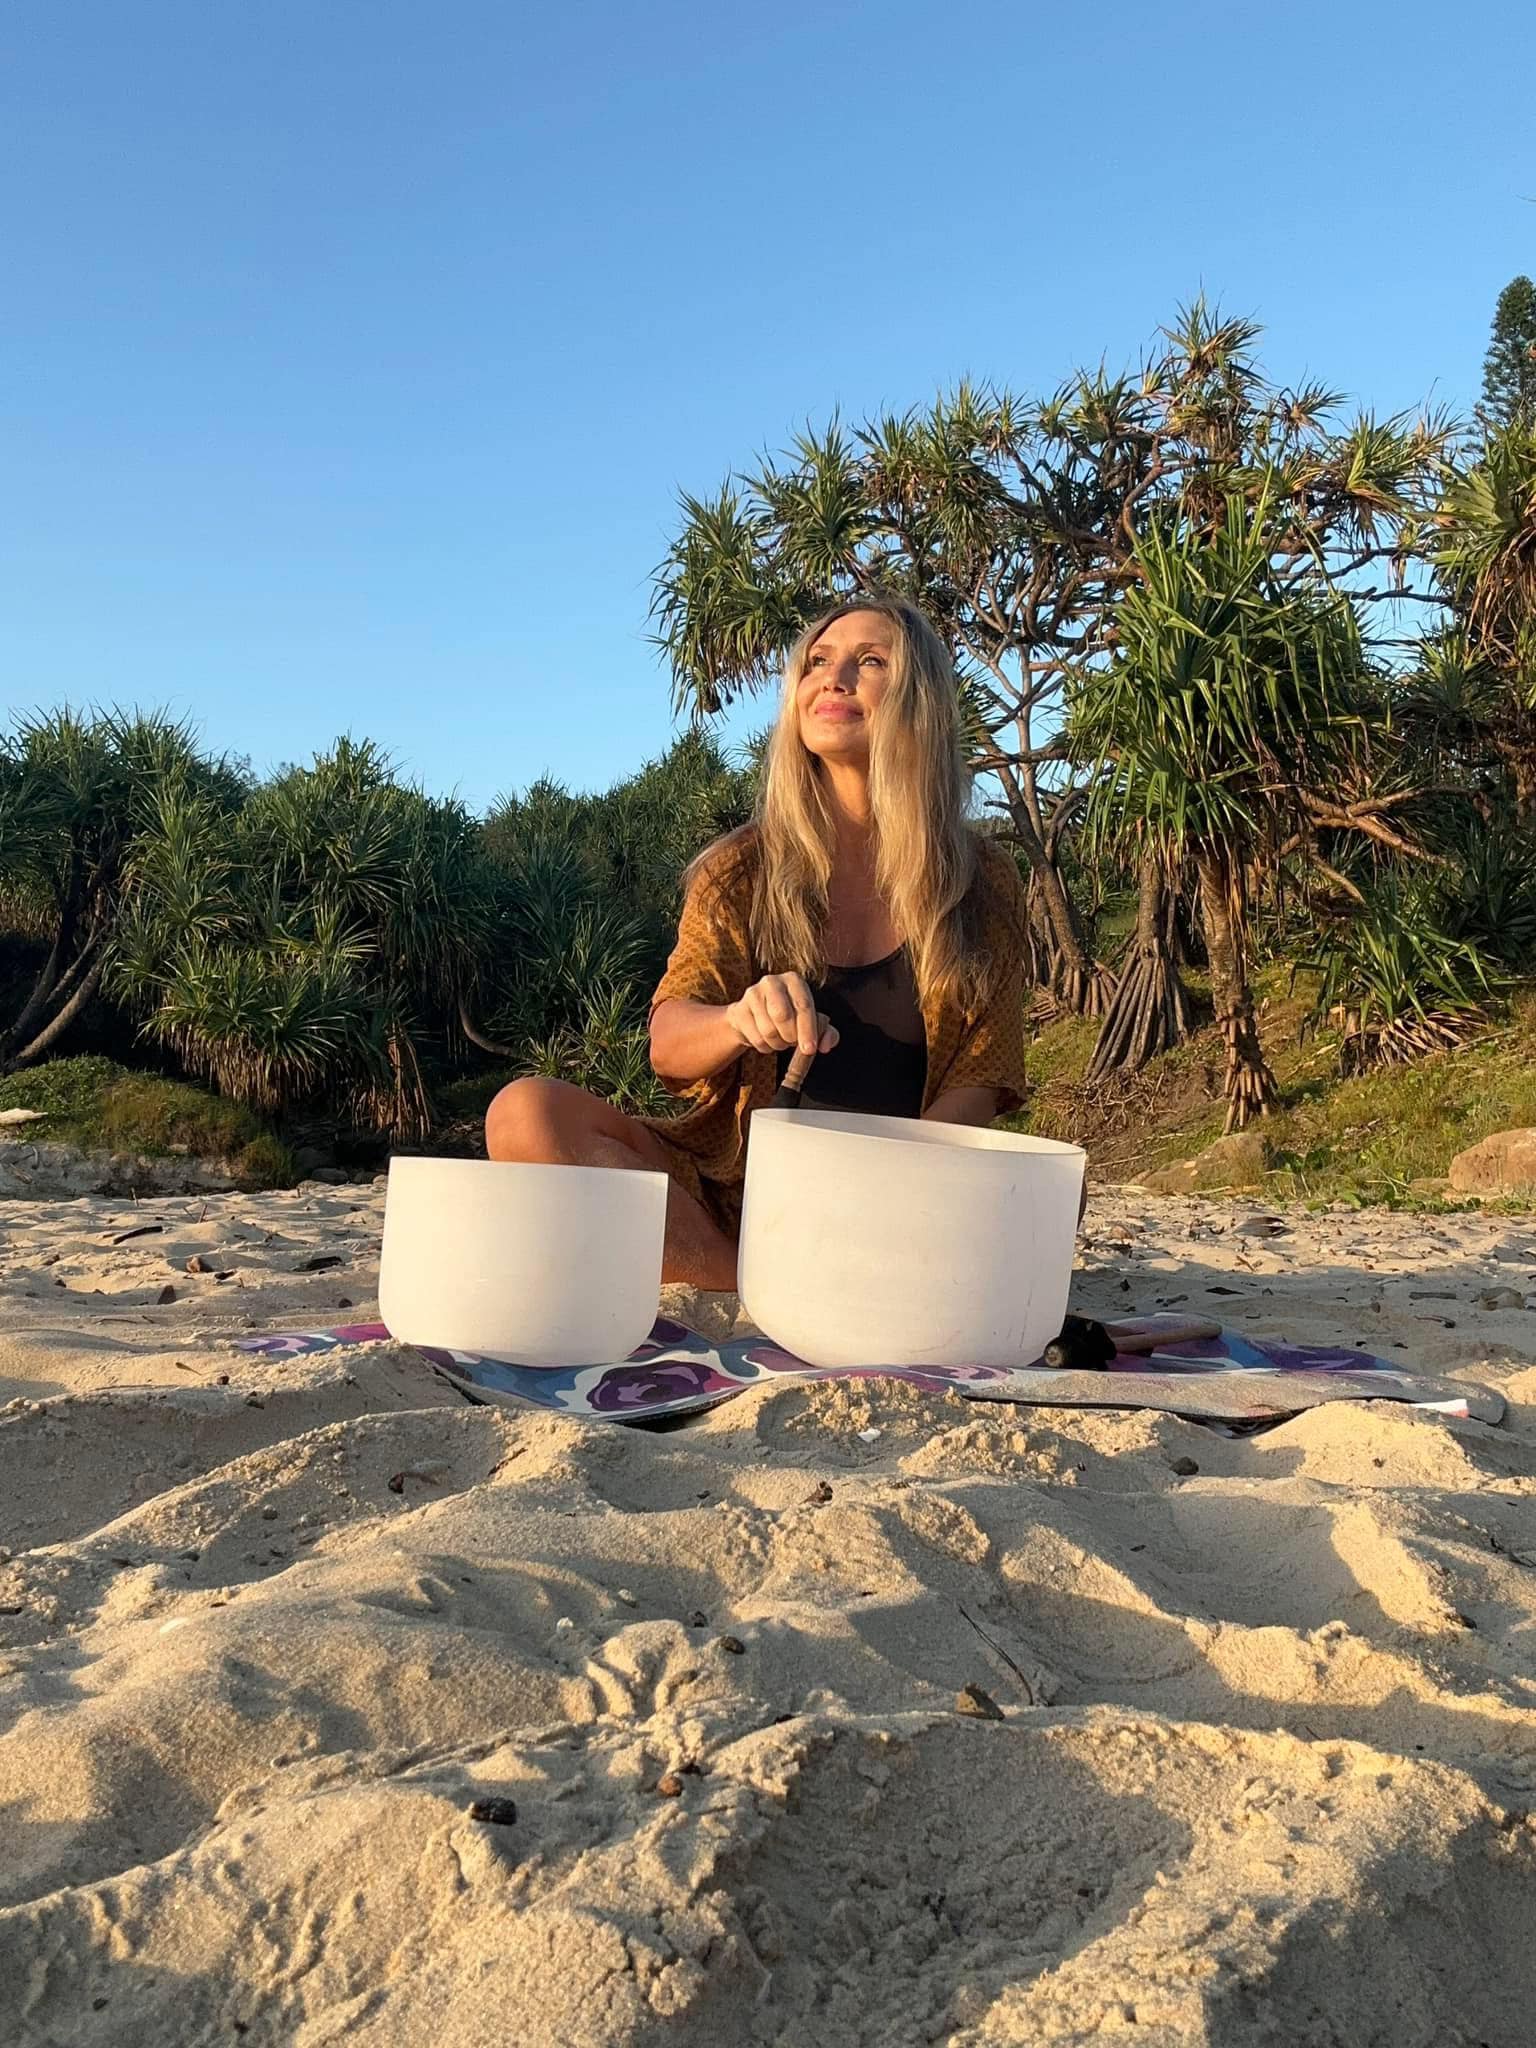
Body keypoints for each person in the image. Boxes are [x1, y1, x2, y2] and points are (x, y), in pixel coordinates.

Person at [485, 595, 1032, 1291]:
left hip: (899, 1204)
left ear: (919, 699)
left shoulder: (983, 880)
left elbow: (981, 1080)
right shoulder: (738, 869)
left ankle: (816, 1281)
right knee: (526, 1114)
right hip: (734, 1196)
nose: (832, 679)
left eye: (869, 662)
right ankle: (743, 1283)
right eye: (817, 662)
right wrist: (738, 1020)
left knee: (1051, 1189)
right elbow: (669, 1047)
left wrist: (893, 1192)